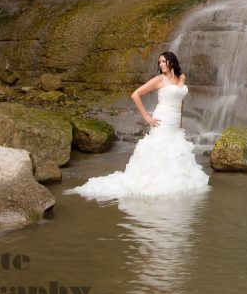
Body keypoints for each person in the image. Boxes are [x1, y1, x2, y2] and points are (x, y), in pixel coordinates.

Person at [70, 51, 209, 199]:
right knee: (160, 149)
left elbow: (181, 100)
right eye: (159, 62)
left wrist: (180, 122)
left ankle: (173, 181)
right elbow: (135, 94)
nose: (161, 64)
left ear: (172, 61)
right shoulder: (159, 79)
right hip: (162, 118)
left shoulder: (181, 77)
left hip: (175, 121)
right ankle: (156, 183)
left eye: (163, 61)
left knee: (174, 150)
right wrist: (147, 117)